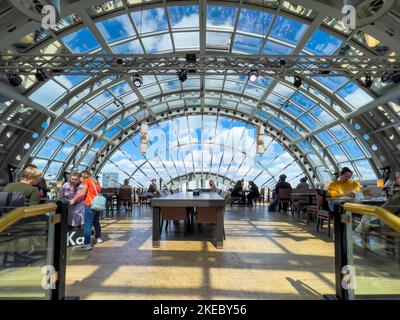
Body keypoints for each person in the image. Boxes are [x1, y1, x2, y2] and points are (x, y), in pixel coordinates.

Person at [73, 171, 103, 251]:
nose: (80, 181)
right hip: (98, 204)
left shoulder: (86, 181)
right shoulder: (97, 182)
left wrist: (74, 200)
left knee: (88, 224)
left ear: (82, 176)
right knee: (96, 222)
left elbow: (83, 193)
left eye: (80, 178)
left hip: (90, 204)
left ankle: (87, 243)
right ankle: (98, 237)